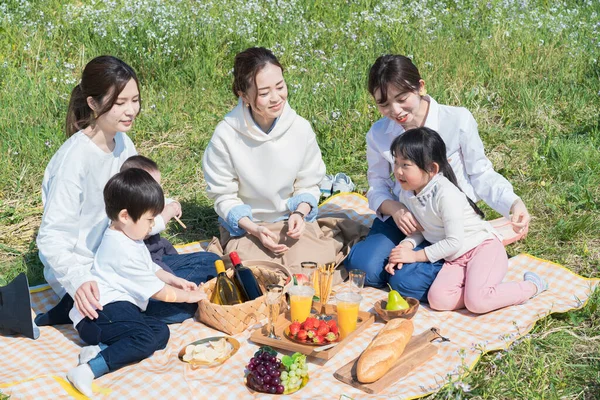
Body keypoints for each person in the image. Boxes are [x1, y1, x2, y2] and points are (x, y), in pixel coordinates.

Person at [345, 54, 532, 302]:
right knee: (364, 269)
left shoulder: (457, 120)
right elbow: (377, 184)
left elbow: (480, 172)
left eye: (402, 99)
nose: (395, 111)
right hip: (407, 215)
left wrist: (513, 203)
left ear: (421, 87)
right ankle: (419, 263)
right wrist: (397, 210)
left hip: (446, 221)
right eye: (384, 104)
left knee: (405, 283)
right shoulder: (379, 133)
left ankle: (473, 264)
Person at [66, 169, 207, 397]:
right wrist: (190, 297)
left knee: (160, 332)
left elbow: (150, 268)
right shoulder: (121, 249)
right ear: (124, 216)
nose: (153, 225)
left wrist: (175, 279)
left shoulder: (128, 237)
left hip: (116, 312)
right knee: (145, 338)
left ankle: (99, 351)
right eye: (150, 219)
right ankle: (88, 370)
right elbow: (160, 293)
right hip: (99, 315)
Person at [202, 47, 343, 269]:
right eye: (264, 92)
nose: (276, 98)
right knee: (253, 273)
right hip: (248, 228)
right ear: (244, 95)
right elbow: (223, 196)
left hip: (291, 222)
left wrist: (300, 212)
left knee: (313, 267)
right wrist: (254, 229)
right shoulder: (226, 135)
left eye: (280, 86)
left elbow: (309, 182)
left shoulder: (300, 128)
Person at [386, 127, 547, 313]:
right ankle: (483, 290)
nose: (398, 171)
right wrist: (405, 246)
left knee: (477, 303)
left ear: (431, 169)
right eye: (396, 162)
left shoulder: (446, 194)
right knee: (438, 301)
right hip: (456, 258)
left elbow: (454, 242)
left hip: (482, 248)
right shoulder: (408, 193)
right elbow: (423, 230)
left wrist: (414, 256)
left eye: (405, 165)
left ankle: (532, 286)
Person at [36, 55, 140, 326]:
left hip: (116, 258)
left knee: (200, 273)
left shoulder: (124, 143)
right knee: (144, 325)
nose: (130, 110)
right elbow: (51, 237)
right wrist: (78, 281)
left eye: (135, 100)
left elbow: (136, 197)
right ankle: (67, 308)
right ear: (93, 104)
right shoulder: (74, 158)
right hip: (83, 274)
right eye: (120, 103)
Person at [120, 155, 220, 323]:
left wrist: (174, 204)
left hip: (158, 260)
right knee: (185, 305)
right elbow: (149, 231)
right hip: (145, 266)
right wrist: (166, 214)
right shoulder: (128, 217)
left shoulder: (146, 201)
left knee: (212, 261)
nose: (158, 193)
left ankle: (188, 290)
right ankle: (142, 312)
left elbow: (165, 201)